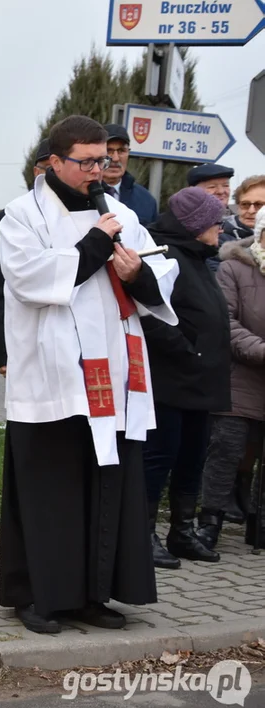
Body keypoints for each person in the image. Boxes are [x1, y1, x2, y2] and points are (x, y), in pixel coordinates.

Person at [0, 115, 178, 634]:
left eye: (105, 160)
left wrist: (137, 273)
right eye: (87, 161)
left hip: (113, 376)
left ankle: (92, 593)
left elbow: (162, 271)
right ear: (54, 161)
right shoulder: (20, 215)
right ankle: (37, 596)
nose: (99, 170)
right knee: (49, 491)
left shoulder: (119, 212)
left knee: (105, 487)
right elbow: (32, 279)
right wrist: (97, 244)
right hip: (52, 379)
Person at [139, 187, 230, 569]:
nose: (221, 229)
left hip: (203, 382)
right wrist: (187, 348)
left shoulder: (200, 257)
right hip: (171, 378)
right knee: (160, 457)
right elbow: (150, 314)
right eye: (215, 222)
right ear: (195, 225)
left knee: (193, 458)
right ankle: (142, 535)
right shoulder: (165, 256)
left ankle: (182, 530)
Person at [197, 207, 265, 549]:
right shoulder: (233, 268)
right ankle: (210, 522)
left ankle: (259, 526)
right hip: (239, 377)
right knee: (227, 449)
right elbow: (226, 322)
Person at [0, 139, 52, 380]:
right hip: (22, 339)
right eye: (47, 168)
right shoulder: (7, 219)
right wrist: (2, 353)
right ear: (36, 173)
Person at [103, 124, 158, 225]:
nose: (115, 158)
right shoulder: (82, 193)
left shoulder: (146, 200)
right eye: (109, 151)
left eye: (121, 151)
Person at [187, 164, 236, 271]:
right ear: (192, 191)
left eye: (225, 185)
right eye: (212, 187)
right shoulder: (184, 227)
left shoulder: (234, 230)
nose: (221, 191)